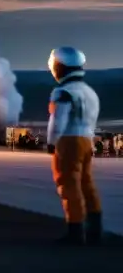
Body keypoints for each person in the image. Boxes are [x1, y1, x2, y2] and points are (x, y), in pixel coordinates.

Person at [46, 46, 101, 245]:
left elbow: (58, 120)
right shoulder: (89, 92)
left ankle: (75, 231)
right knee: (87, 184)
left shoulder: (63, 91)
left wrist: (52, 143)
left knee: (68, 184)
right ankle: (95, 229)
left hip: (68, 140)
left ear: (59, 67)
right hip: (87, 140)